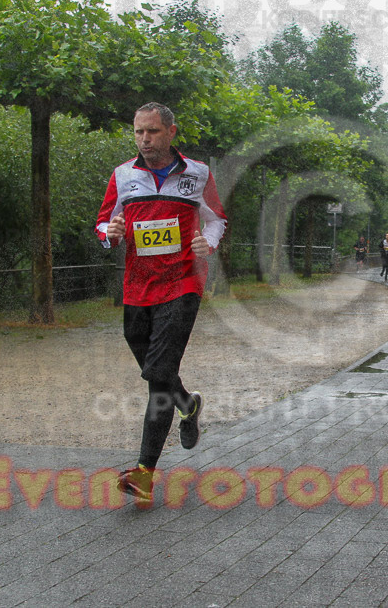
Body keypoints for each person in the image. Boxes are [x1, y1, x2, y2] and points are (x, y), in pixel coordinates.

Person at [95, 102, 227, 502]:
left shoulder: (198, 173)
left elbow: (216, 218)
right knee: (157, 369)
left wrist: (210, 241)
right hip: (137, 287)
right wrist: (111, 232)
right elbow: (103, 224)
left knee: (157, 377)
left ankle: (144, 472)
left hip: (183, 284)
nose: (144, 139)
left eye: (152, 132)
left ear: (171, 132)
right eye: (138, 132)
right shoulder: (123, 175)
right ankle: (188, 405)